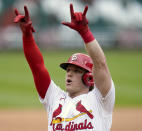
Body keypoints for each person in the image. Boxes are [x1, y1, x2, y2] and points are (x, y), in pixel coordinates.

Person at [14, 3, 115, 131]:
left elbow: (100, 64)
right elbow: (37, 67)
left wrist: (85, 32)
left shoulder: (100, 100)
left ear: (89, 77)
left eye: (77, 71)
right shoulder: (54, 98)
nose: (69, 74)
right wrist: (27, 36)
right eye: (68, 70)